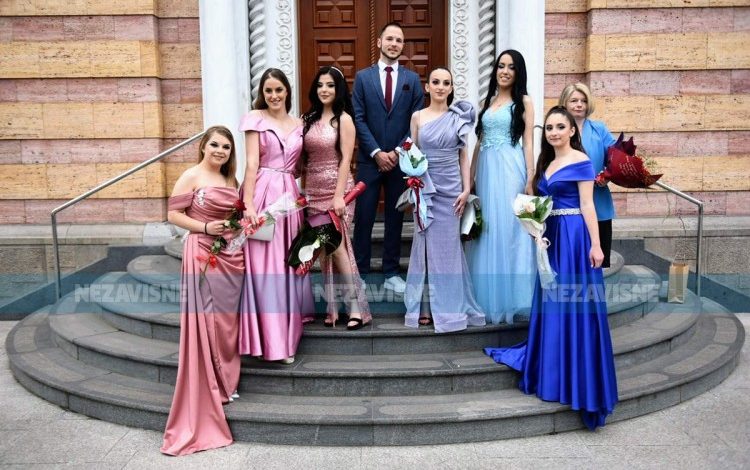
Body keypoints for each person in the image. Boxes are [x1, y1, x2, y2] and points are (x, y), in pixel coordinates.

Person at [485, 106, 618, 431]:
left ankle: (579, 378)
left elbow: (587, 205)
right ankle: (555, 371)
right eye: (550, 128)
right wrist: (534, 226)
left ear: (572, 131)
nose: (554, 132)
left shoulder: (581, 161)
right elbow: (541, 204)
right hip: (552, 238)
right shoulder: (547, 163)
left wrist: (596, 245)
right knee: (552, 301)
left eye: (561, 127)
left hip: (575, 238)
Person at [161, 126, 243, 455]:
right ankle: (210, 382)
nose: (220, 151)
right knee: (206, 319)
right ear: (203, 147)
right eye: (215, 145)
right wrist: (206, 227)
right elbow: (173, 214)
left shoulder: (231, 180)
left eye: (226, 146)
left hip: (230, 257)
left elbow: (238, 216)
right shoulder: (191, 175)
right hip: (200, 253)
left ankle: (226, 380)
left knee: (226, 320)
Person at [238, 68, 314, 364]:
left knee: (286, 265)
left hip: (289, 199)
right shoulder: (254, 119)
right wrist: (248, 206)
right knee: (264, 269)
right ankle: (269, 341)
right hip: (262, 195)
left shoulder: (299, 124)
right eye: (268, 90)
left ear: (287, 92)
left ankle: (285, 337)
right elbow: (251, 164)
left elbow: (302, 166)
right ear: (262, 93)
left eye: (278, 90)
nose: (273, 95)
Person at [403, 67, 485, 333]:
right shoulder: (417, 116)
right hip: (425, 188)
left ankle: (450, 309)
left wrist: (466, 189)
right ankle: (425, 308)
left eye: (446, 83)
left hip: (451, 191)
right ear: (427, 87)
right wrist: (413, 183)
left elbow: (463, 155)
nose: (440, 86)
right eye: (436, 82)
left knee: (448, 250)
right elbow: (412, 154)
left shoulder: (458, 117)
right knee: (424, 247)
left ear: (451, 88)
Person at [352, 22, 424, 294]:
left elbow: (416, 122)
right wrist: (376, 152)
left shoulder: (412, 80)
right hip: (369, 161)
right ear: (379, 42)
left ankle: (391, 272)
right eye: (390, 39)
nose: (394, 44)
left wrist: (396, 151)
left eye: (399, 40)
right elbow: (358, 118)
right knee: (364, 217)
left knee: (395, 218)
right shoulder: (363, 78)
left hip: (399, 161)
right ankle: (360, 272)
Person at [465, 49, 537, 324]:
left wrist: (530, 177)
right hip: (487, 170)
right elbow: (480, 142)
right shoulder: (490, 101)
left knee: (510, 227)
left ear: (518, 72)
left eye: (511, 67)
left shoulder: (524, 101)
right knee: (488, 227)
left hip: (510, 168)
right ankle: (486, 298)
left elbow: (528, 141)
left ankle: (513, 298)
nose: (505, 71)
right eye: (501, 66)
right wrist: (470, 175)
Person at [300, 66, 371, 330]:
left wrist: (339, 196)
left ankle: (355, 308)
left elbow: (345, 160)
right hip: (313, 191)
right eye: (320, 85)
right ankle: (334, 308)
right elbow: (301, 159)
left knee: (338, 246)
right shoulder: (307, 119)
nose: (324, 90)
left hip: (338, 190)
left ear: (338, 88)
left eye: (330, 85)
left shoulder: (344, 119)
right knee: (324, 251)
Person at [559, 82, 617, 267]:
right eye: (574, 100)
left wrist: (606, 176)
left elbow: (616, 159)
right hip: (567, 204)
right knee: (571, 263)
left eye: (583, 100)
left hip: (598, 202)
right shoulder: (556, 131)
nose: (579, 105)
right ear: (564, 103)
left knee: (598, 263)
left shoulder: (600, 129)